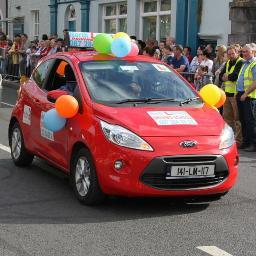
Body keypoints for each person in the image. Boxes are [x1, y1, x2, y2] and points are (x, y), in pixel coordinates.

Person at [219, 45, 244, 147]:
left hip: (235, 94)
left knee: (237, 119)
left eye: (233, 53)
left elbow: (234, 76)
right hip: (227, 93)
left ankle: (238, 140)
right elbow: (221, 76)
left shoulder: (240, 62)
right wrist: (226, 76)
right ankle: (229, 138)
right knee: (227, 118)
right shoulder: (228, 62)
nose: (230, 56)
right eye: (229, 54)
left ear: (237, 53)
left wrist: (227, 76)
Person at [236, 44, 256, 151]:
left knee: (250, 121)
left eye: (246, 51)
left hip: (249, 96)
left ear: (253, 52)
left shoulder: (254, 63)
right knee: (243, 120)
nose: (244, 53)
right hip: (241, 94)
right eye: (243, 52)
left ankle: (253, 144)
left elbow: (255, 82)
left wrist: (245, 93)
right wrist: (238, 93)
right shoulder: (245, 63)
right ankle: (246, 142)